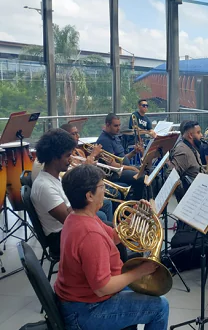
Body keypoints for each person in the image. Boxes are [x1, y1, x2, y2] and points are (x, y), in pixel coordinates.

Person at [56, 165, 169, 329]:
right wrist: (140, 271)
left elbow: (115, 236)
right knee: (160, 307)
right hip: (86, 311)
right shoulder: (90, 234)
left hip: (81, 300)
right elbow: (103, 288)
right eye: (102, 186)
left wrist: (136, 217)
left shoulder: (78, 216)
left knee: (147, 292)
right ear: (89, 196)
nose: (105, 189)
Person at [31, 129, 108, 257]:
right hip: (60, 237)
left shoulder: (55, 177)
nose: (70, 159)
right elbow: (70, 220)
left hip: (68, 229)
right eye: (67, 155)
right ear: (55, 158)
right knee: (106, 228)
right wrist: (84, 182)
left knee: (110, 227)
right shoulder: (44, 186)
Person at [59, 123, 114, 222]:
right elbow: (78, 178)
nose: (78, 136)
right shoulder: (66, 158)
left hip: (90, 187)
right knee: (108, 203)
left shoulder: (79, 152)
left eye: (77, 133)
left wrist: (96, 159)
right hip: (82, 193)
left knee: (108, 202)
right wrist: (92, 156)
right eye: (74, 134)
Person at [96, 113, 146, 200]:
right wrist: (131, 168)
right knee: (141, 177)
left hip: (123, 169)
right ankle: (137, 203)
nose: (118, 128)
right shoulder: (104, 140)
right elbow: (113, 165)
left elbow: (122, 159)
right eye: (115, 126)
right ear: (107, 125)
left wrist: (133, 152)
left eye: (119, 125)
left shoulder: (115, 137)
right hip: (114, 174)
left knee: (149, 171)